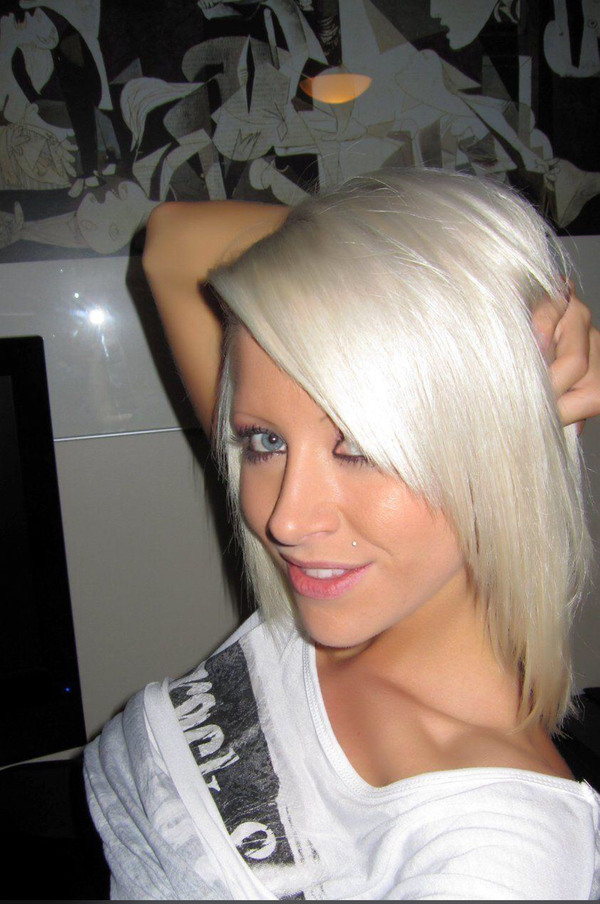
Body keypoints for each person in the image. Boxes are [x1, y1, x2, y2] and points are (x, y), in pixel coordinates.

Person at [85, 168, 600, 900]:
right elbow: (175, 242)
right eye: (265, 441)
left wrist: (472, 318)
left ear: (494, 445)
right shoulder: (351, 589)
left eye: (358, 447)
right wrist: (453, 290)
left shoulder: (500, 850)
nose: (286, 520)